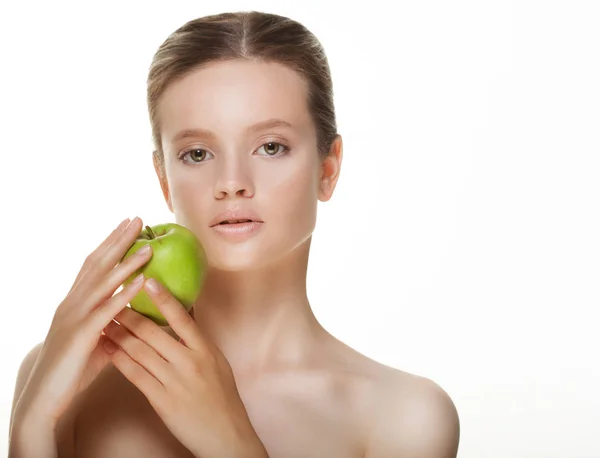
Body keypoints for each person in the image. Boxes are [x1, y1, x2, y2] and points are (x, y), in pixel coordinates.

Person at [9, 10, 460, 458]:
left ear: (328, 168)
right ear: (164, 178)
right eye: (198, 153)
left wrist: (233, 443)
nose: (232, 181)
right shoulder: (64, 377)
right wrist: (33, 424)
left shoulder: (405, 419)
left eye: (270, 147)